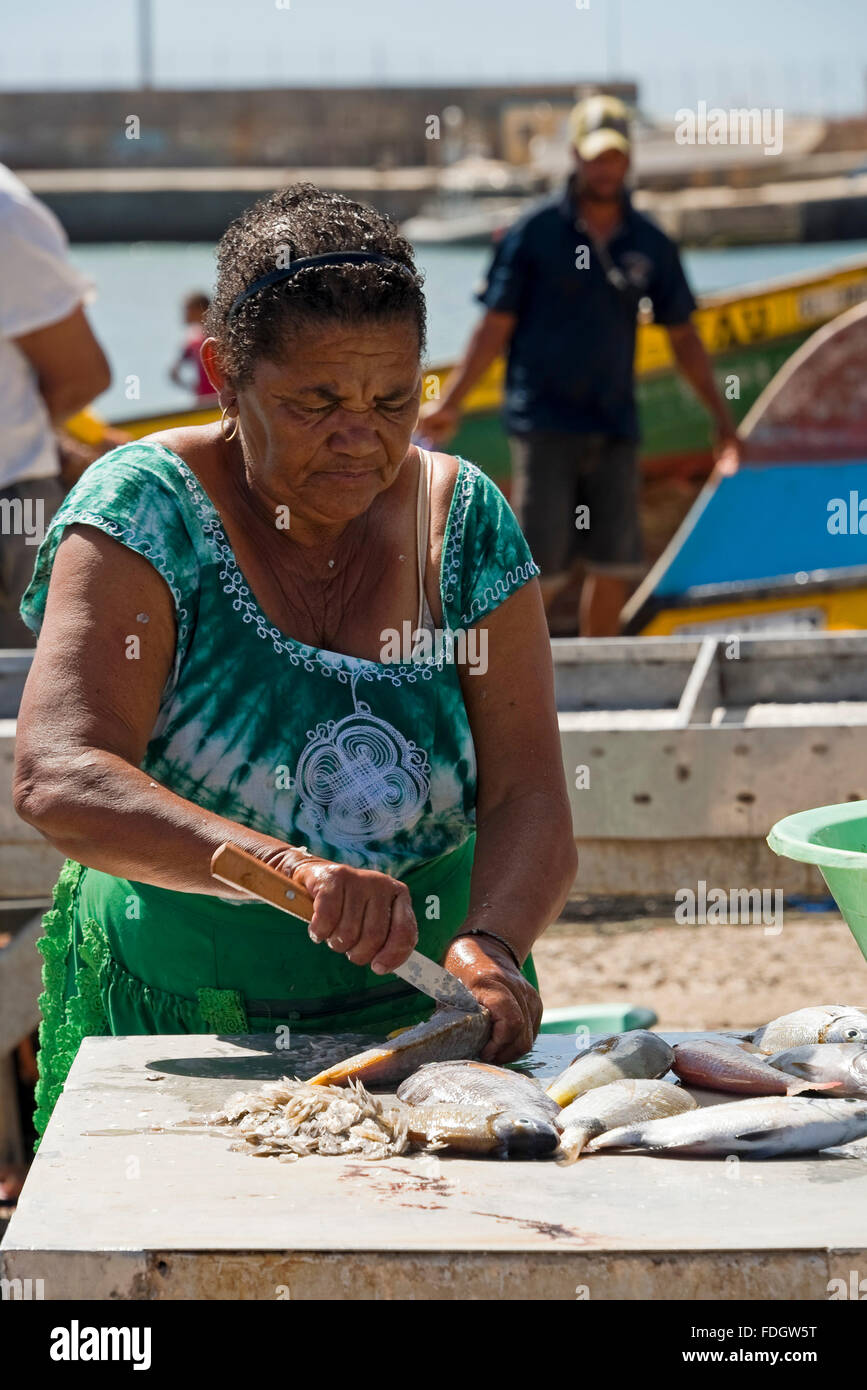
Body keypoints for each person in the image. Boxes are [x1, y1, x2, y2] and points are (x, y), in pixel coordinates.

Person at [14, 184, 577, 1139]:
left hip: (433, 1026)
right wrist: (289, 871)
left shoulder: (465, 523)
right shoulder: (144, 513)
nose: (361, 437)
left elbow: (528, 795)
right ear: (222, 375)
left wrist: (491, 947)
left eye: (393, 398)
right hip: (186, 1020)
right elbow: (58, 775)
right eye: (315, 401)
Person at [420, 95, 741, 637]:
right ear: (575, 155)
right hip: (544, 424)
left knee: (615, 563)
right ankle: (518, 689)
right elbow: (493, 328)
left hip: (615, 424)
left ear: (629, 159)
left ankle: (601, 676)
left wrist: (722, 419)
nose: (604, 167)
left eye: (614, 156)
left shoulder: (650, 242)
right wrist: (451, 404)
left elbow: (683, 336)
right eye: (594, 156)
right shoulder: (534, 233)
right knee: (537, 570)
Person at [0, 162, 111, 646]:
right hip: (14, 494)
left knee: (32, 704)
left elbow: (80, 375)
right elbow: (79, 376)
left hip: (11, 507)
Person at [169, 291, 218, 405]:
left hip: (216, 400)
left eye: (187, 309)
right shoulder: (193, 340)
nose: (184, 314)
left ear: (199, 309)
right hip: (206, 401)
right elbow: (173, 373)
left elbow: (174, 373)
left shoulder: (197, 340)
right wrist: (193, 387)